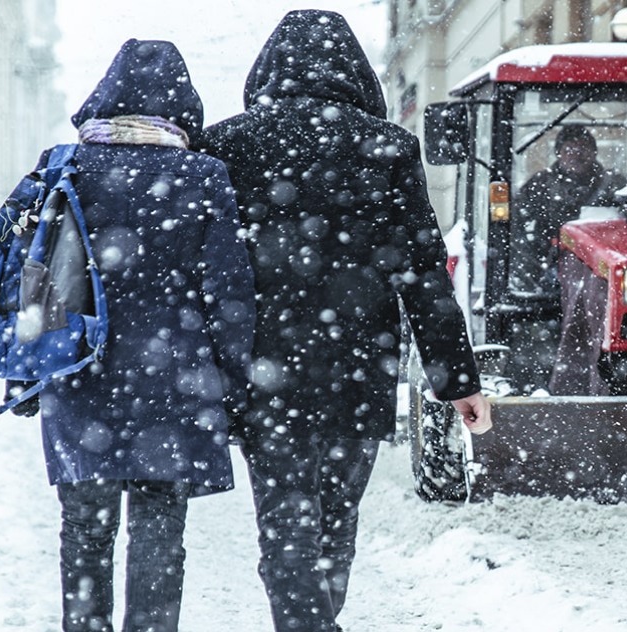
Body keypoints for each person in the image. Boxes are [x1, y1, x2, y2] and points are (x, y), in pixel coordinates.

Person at [199, 10, 491, 632]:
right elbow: (422, 272)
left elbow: (203, 272)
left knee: (284, 520)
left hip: (263, 373)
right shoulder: (387, 146)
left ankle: (304, 620)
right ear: (355, 73)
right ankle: (318, 616)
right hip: (357, 371)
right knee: (336, 518)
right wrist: (457, 379)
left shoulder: (225, 145)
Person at [0, 39, 254, 632]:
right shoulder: (204, 176)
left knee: (85, 528)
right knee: (161, 528)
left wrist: (28, 368)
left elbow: (31, 279)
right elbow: (229, 294)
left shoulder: (66, 167)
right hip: (176, 383)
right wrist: (234, 380)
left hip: (78, 371)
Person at [511, 125, 627, 296]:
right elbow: (516, 225)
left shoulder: (614, 184)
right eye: (570, 149)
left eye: (583, 148)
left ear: (594, 152)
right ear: (559, 153)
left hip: (604, 271)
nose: (576, 154)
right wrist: (536, 264)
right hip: (548, 274)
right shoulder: (540, 185)